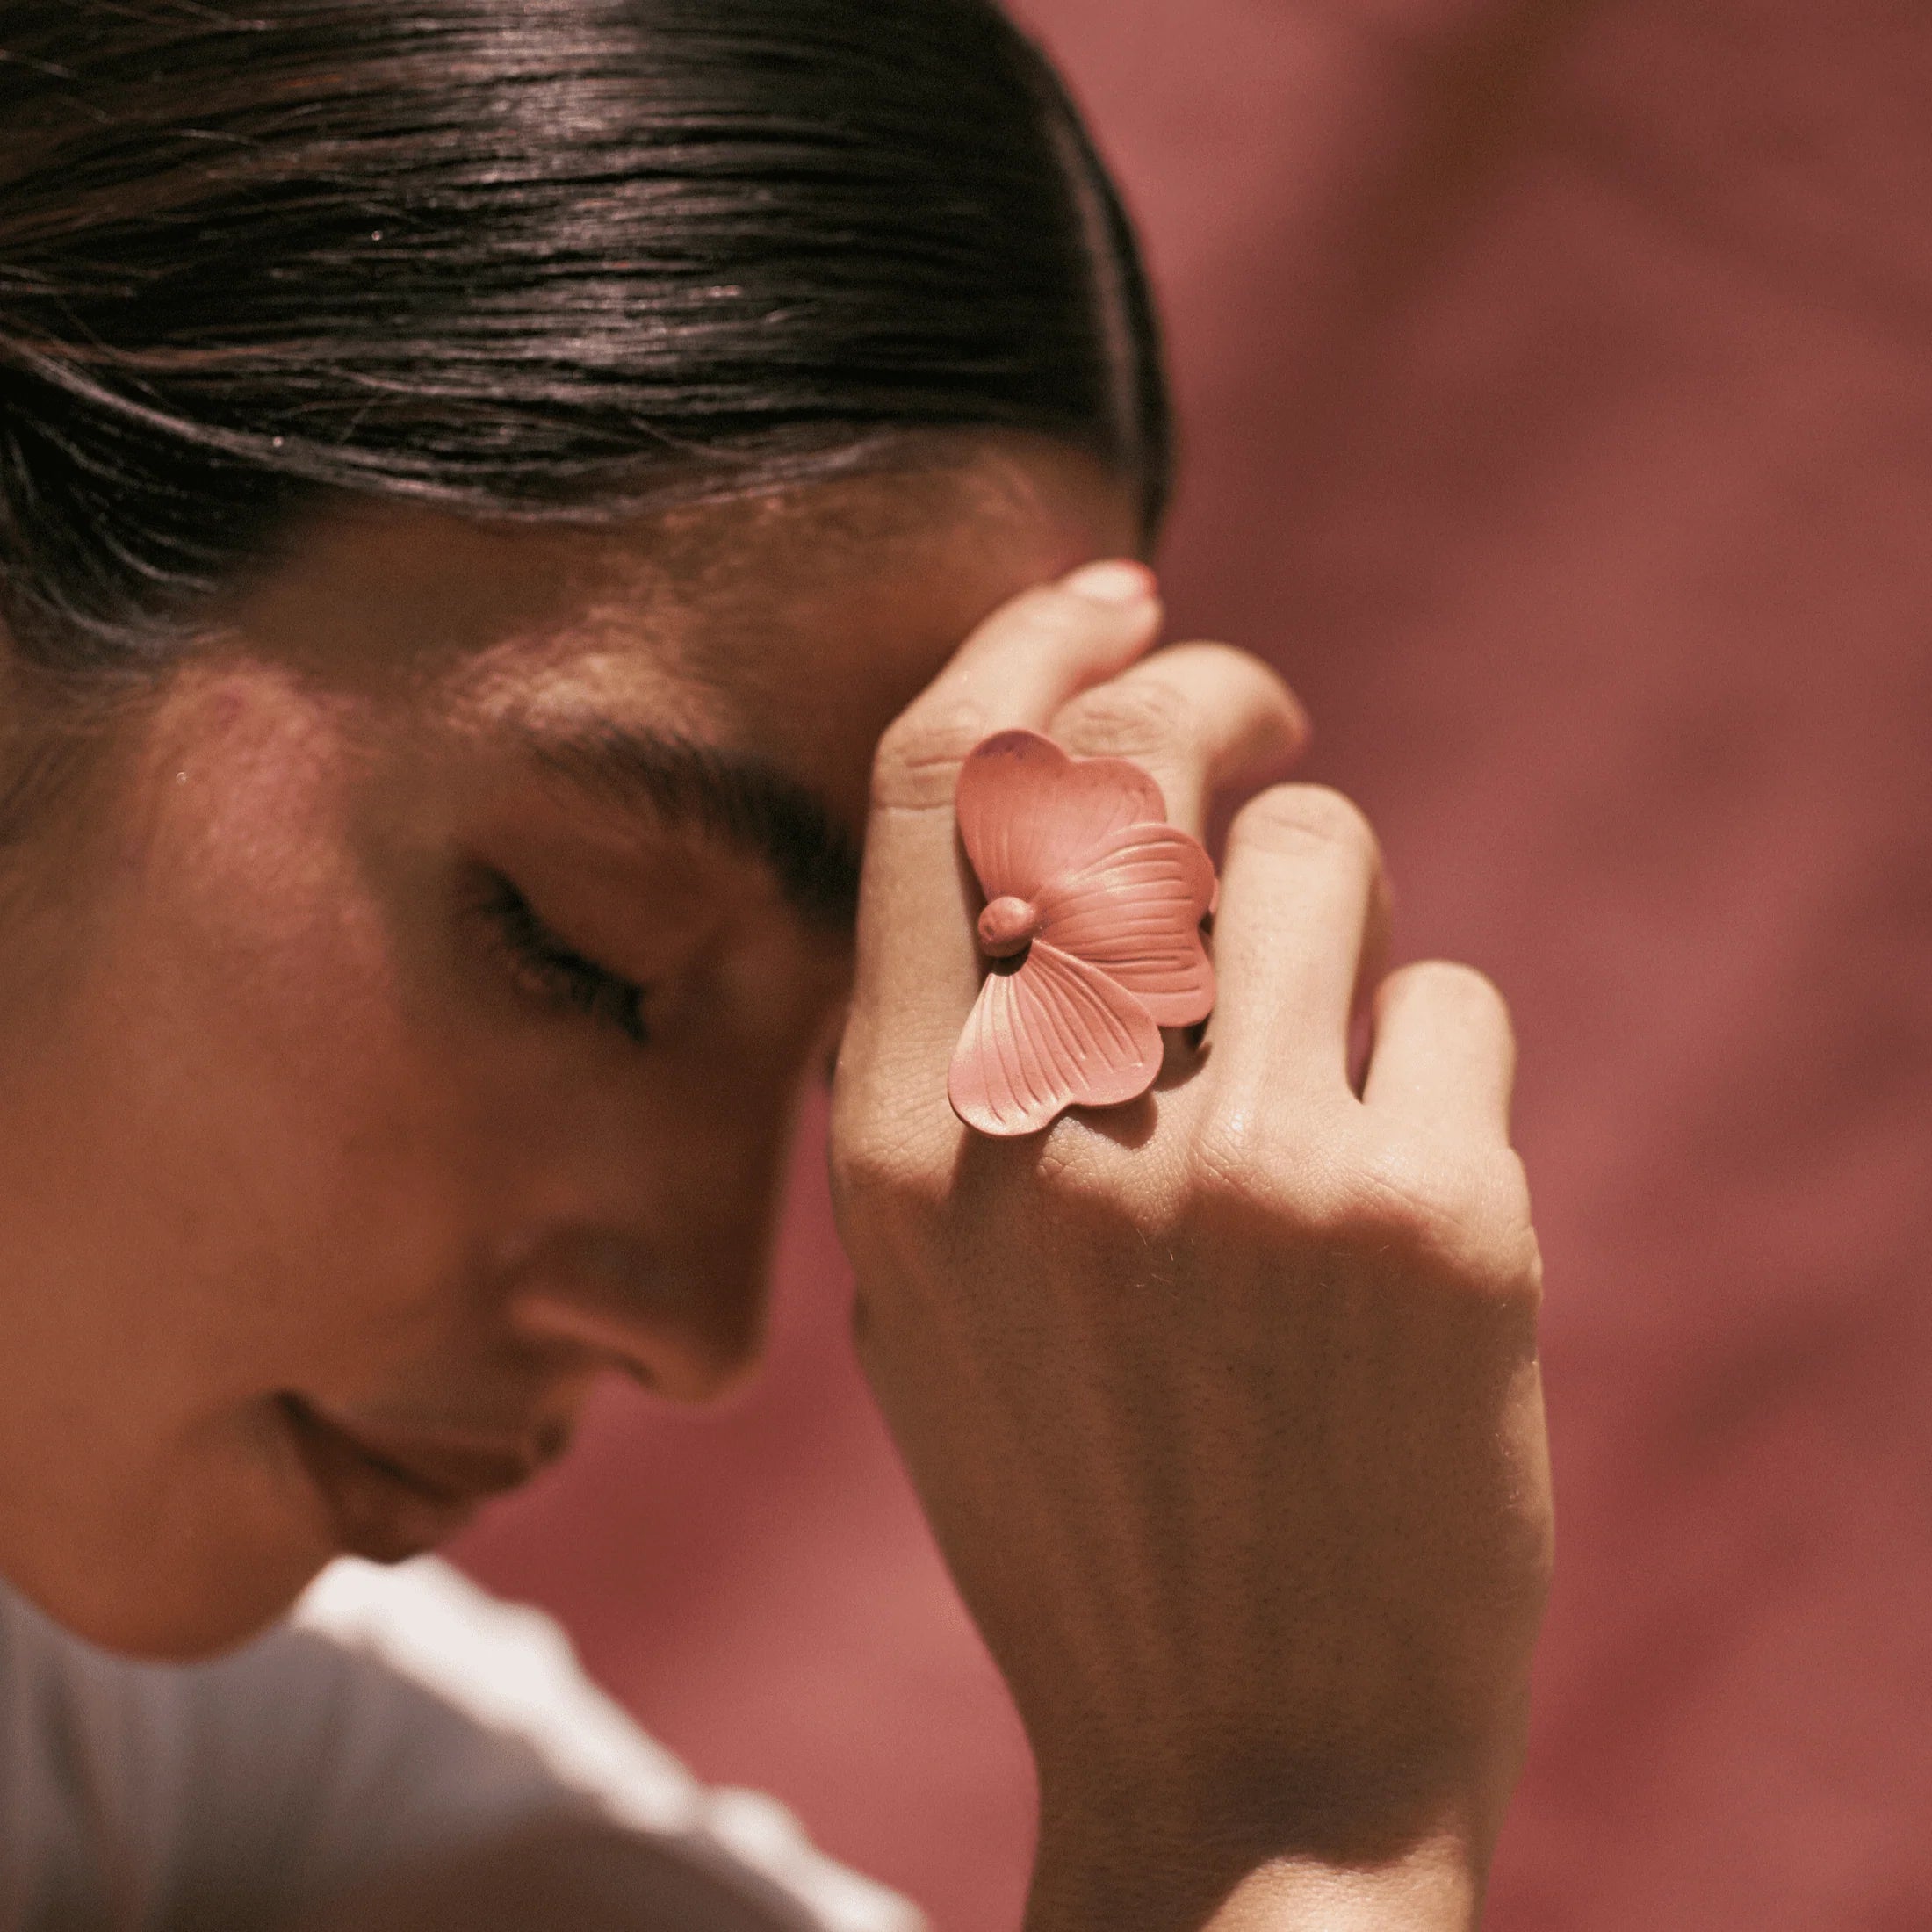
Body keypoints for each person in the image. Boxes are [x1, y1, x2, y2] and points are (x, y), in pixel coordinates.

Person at [0, 3, 1553, 1928]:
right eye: (591, 954)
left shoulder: (171, 1744)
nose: (703, 1329)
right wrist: (1297, 1823)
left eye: (833, 1060)